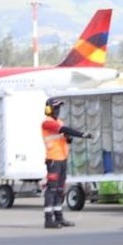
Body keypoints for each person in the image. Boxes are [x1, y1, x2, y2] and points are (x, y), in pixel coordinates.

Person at [41, 98, 92, 229]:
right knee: (52, 189)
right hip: (53, 159)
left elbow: (65, 139)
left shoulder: (59, 122)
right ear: (49, 109)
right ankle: (48, 219)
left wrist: (68, 138)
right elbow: (62, 129)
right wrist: (81, 134)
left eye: (59, 108)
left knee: (60, 190)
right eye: (55, 108)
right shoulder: (47, 123)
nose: (58, 111)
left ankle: (59, 217)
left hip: (62, 159)